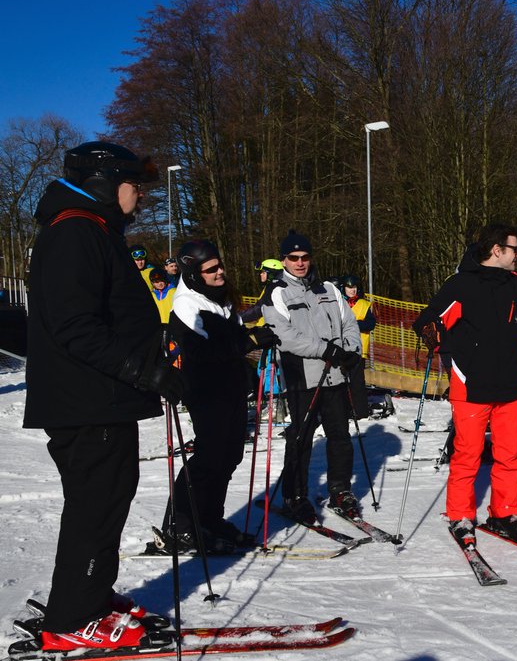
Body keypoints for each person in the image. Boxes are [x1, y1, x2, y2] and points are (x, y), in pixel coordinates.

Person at [23, 141, 184, 652]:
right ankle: (73, 617)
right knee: (96, 504)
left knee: (108, 499)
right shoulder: (75, 232)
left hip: (101, 397)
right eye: (133, 184)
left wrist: (152, 356)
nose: (139, 194)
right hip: (87, 399)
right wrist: (145, 372)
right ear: (104, 183)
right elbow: (75, 327)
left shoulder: (92, 231)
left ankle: (89, 595)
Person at [412, 223, 517, 548]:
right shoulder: (461, 285)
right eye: (514, 249)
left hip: (509, 386)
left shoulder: (515, 286)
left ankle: (504, 514)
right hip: (471, 386)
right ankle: (460, 515)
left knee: (508, 456)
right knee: (467, 455)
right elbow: (427, 321)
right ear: (497, 251)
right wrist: (436, 343)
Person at [154, 240, 278, 553]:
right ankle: (179, 524)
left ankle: (209, 518)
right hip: (205, 389)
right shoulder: (186, 305)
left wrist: (249, 360)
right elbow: (202, 352)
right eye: (211, 269)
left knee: (230, 455)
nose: (219, 271)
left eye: (219, 265)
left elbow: (233, 339)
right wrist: (249, 341)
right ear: (194, 274)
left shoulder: (219, 298)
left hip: (230, 387)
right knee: (209, 457)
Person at [261, 231, 362, 523]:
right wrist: (325, 350)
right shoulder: (276, 293)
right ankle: (296, 494)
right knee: (301, 438)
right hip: (301, 377)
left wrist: (348, 350)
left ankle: (340, 489)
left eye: (304, 257)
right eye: (293, 258)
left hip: (335, 375)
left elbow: (349, 322)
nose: (300, 263)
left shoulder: (329, 288)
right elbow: (286, 336)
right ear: (284, 261)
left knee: (340, 436)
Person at [338, 274, 375, 419]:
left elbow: (371, 324)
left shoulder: (364, 305)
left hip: (359, 350)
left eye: (354, 288)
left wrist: (353, 324)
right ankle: (343, 409)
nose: (352, 290)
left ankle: (361, 411)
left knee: (357, 382)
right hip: (341, 348)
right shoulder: (339, 303)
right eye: (349, 288)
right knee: (340, 381)